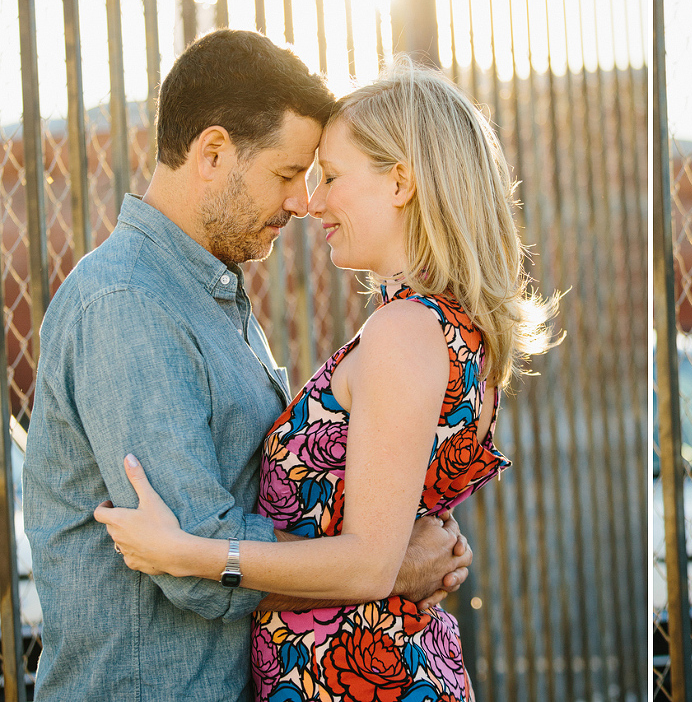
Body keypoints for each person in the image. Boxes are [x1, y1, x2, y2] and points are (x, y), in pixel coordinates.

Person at [25, 31, 471, 702]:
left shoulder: (209, 293)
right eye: (287, 174)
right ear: (212, 153)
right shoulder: (128, 304)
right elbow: (191, 558)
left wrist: (374, 548)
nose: (302, 201)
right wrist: (381, 564)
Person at [97, 56, 555, 702]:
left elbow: (369, 562)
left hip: (363, 680)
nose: (313, 202)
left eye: (332, 176)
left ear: (399, 182)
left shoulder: (404, 332)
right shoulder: (446, 328)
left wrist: (189, 554)